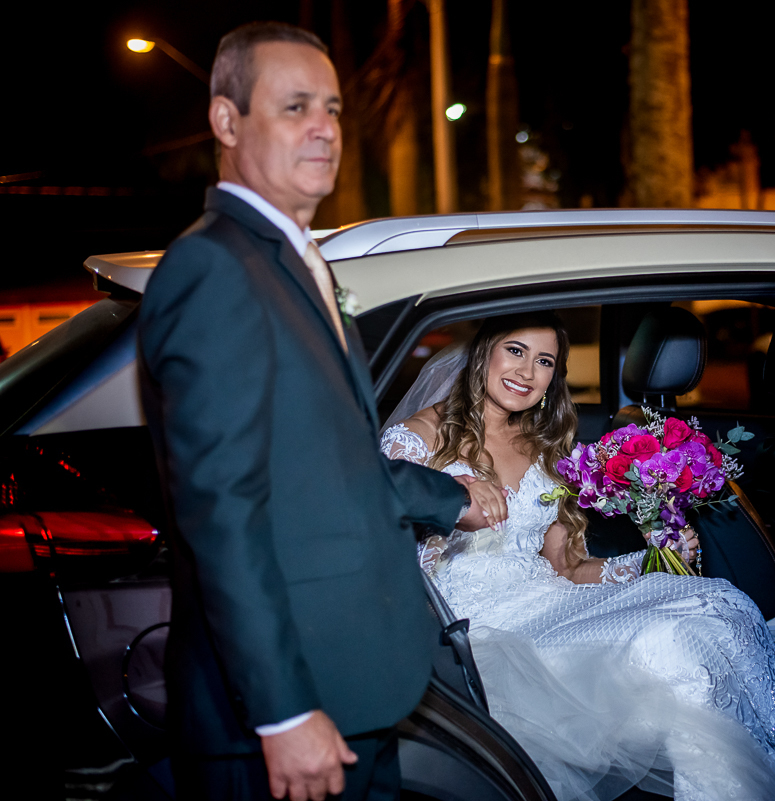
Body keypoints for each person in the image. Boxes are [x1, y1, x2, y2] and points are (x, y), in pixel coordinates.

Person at [138, 22, 491, 801]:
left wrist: (451, 498)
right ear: (227, 122)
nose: (324, 128)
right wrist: (284, 711)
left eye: (331, 108)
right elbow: (223, 513)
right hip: (281, 717)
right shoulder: (213, 269)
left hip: (353, 687)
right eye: (295, 107)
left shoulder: (296, 261)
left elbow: (332, 460)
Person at [381, 312, 775, 801]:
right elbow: (388, 566)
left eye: (544, 361)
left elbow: (566, 566)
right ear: (483, 351)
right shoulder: (414, 442)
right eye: (515, 351)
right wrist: (448, 508)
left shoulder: (543, 446)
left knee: (717, 601)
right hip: (483, 631)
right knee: (671, 640)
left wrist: (649, 559)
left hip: (549, 600)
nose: (527, 372)